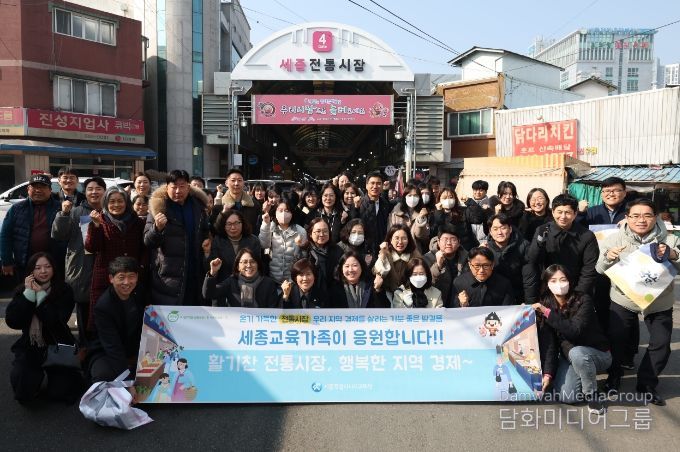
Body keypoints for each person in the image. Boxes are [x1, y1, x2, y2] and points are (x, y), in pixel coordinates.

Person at [596, 198, 679, 406]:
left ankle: (647, 383)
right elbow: (599, 268)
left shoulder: (669, 239)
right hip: (623, 298)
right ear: (627, 217)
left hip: (659, 300)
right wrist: (608, 257)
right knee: (617, 339)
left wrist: (673, 254)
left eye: (647, 215)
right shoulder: (614, 239)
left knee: (661, 344)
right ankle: (614, 376)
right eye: (635, 215)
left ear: (656, 217)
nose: (641, 220)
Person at [532, 265, 611, 415]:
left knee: (577, 353)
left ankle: (592, 395)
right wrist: (548, 374)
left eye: (563, 279)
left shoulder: (583, 300)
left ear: (570, 281)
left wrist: (547, 313)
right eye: (553, 280)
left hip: (597, 354)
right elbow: (550, 344)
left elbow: (574, 331)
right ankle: (584, 375)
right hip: (568, 356)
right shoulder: (547, 305)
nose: (559, 284)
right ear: (547, 284)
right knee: (567, 396)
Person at [6, 252, 82, 403]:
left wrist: (41, 297)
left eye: (47, 266)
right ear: (31, 271)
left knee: (61, 391)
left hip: (58, 342)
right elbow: (13, 321)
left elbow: (55, 321)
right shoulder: (23, 291)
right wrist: (28, 296)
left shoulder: (64, 290)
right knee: (23, 388)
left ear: (54, 269)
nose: (43, 271)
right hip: (31, 344)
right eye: (38, 267)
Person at [51, 176, 106, 342]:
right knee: (84, 310)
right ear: (85, 192)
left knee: (106, 311)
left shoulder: (111, 210)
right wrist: (63, 214)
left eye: (98, 189)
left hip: (105, 266)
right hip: (81, 267)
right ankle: (85, 348)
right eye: (90, 189)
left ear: (104, 191)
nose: (94, 192)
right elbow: (59, 235)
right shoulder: (76, 212)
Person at [144, 170, 211, 305]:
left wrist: (207, 240)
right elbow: (148, 241)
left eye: (182, 186)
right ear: (167, 187)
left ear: (188, 187)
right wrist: (157, 228)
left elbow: (205, 231)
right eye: (174, 187)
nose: (178, 191)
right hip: (168, 277)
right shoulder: (158, 208)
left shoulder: (198, 205)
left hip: (195, 272)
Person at [85, 186, 146, 331]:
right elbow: (91, 247)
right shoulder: (98, 220)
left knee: (130, 316)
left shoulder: (137, 222)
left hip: (131, 277)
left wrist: (141, 268)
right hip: (106, 276)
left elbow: (144, 249)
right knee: (104, 316)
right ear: (106, 203)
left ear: (126, 202)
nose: (116, 205)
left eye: (120, 201)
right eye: (112, 201)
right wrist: (96, 226)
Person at [576, 177, 629, 334]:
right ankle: (603, 339)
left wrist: (630, 222)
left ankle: (624, 344)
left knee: (625, 309)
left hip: (625, 266)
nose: (610, 194)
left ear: (624, 193)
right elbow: (577, 230)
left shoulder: (632, 212)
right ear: (601, 194)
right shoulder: (592, 211)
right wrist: (580, 213)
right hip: (599, 265)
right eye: (606, 191)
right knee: (600, 304)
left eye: (615, 190)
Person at [86, 257, 145, 384]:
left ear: (137, 277)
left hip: (133, 349)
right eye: (121, 277)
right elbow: (112, 347)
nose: (127, 282)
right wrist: (127, 382)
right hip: (106, 351)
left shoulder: (140, 292)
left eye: (131, 276)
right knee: (104, 376)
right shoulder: (103, 306)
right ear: (111, 278)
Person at [528, 194, 599, 297]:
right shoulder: (542, 230)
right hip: (549, 288)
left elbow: (589, 269)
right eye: (559, 212)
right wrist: (540, 243)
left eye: (568, 212)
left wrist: (578, 294)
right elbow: (532, 260)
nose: (563, 217)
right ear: (553, 212)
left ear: (575, 214)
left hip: (577, 288)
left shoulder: (587, 235)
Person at [1, 174, 66, 280]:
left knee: (53, 289)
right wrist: (6, 261)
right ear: (28, 189)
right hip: (24, 263)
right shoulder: (16, 209)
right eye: (34, 187)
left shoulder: (60, 208)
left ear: (50, 190)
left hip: (54, 263)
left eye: (42, 187)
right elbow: (5, 236)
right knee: (26, 289)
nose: (38, 190)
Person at [485, 214, 536, 303]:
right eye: (495, 229)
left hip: (519, 295)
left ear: (510, 229)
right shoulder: (485, 249)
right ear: (490, 232)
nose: (499, 232)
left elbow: (529, 279)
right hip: (494, 296)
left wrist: (529, 304)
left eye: (503, 228)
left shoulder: (524, 246)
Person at [203, 248, 280, 308]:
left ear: (258, 265)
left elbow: (273, 310)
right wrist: (212, 272)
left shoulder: (268, 283)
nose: (249, 265)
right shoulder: (232, 281)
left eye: (252, 262)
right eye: (245, 262)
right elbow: (208, 294)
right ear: (238, 267)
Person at [258, 195, 307, 284]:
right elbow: (264, 245)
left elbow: (304, 257)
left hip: (292, 280)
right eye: (280, 210)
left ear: (292, 212)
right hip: (272, 278)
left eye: (287, 211)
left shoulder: (300, 231)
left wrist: (302, 246)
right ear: (275, 212)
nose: (284, 214)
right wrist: (265, 224)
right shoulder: (270, 226)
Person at [207, 209, 261, 282]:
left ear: (242, 223)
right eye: (229, 224)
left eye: (236, 223)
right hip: (225, 284)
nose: (233, 227)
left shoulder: (253, 241)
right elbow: (212, 268)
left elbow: (258, 266)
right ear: (223, 225)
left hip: (249, 283)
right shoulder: (218, 241)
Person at [373, 224, 422, 301]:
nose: (400, 242)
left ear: (408, 240)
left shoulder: (414, 255)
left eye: (404, 238)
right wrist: (382, 255)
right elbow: (375, 271)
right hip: (387, 296)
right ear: (390, 240)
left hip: (409, 296)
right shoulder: (386, 252)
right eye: (396, 238)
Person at [422, 225, 468, 306]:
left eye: (453, 239)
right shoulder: (427, 258)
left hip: (459, 304)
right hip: (436, 303)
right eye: (445, 239)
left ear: (458, 243)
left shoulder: (466, 258)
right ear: (438, 242)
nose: (449, 243)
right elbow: (426, 284)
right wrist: (438, 266)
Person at [432, 187, 478, 251]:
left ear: (455, 198)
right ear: (439, 200)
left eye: (451, 197)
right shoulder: (436, 213)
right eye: (444, 198)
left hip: (466, 249)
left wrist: (469, 201)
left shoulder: (463, 211)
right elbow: (437, 227)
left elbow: (477, 219)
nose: (448, 200)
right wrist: (439, 212)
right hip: (447, 249)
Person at [358, 170, 391, 255]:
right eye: (372, 183)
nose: (375, 186)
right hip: (363, 249)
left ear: (382, 186)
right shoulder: (359, 203)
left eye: (378, 183)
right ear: (366, 185)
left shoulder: (385, 204)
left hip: (381, 248)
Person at [305, 218, 343, 290]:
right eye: (318, 231)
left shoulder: (337, 250)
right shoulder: (305, 251)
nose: (322, 234)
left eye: (325, 231)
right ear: (310, 234)